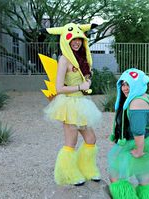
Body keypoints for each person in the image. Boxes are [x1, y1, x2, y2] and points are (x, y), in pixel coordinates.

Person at [40, 23, 102, 186]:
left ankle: (86, 169)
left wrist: (87, 80)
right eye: (72, 39)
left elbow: (84, 77)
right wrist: (79, 87)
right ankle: (69, 174)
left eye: (79, 39)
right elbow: (58, 88)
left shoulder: (82, 57)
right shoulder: (64, 59)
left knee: (91, 138)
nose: (76, 42)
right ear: (65, 41)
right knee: (71, 141)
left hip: (82, 103)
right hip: (68, 105)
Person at [108, 68, 149, 199]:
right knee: (144, 179)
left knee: (115, 176)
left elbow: (138, 130)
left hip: (140, 143)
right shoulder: (143, 97)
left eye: (129, 84)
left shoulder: (136, 103)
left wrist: (138, 150)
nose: (125, 88)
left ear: (137, 84)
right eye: (123, 84)